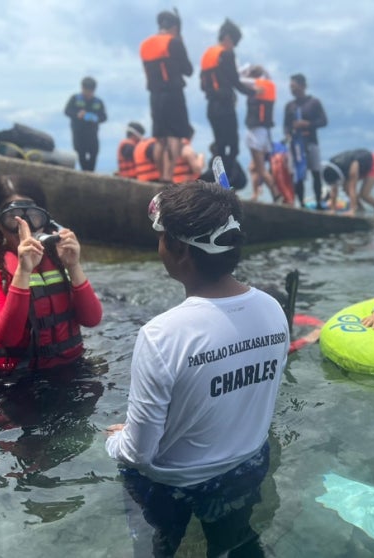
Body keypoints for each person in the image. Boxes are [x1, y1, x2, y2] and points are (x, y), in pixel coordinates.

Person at [105, 181, 289, 556]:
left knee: (157, 548)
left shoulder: (161, 335)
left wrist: (115, 441)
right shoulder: (273, 309)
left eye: (161, 237)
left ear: (181, 250)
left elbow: (139, 454)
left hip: (173, 484)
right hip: (247, 467)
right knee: (236, 544)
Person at [0, 175, 103, 374]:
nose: (24, 227)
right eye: (13, 218)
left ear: (45, 220)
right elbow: (7, 337)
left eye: (33, 217)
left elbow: (92, 319)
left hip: (75, 370)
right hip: (18, 381)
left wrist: (74, 266)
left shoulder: (59, 258)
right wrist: (24, 271)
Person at [140, 10, 193, 182]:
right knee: (175, 135)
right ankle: (168, 176)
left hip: (154, 95)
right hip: (173, 94)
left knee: (160, 138)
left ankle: (160, 174)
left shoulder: (145, 44)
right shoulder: (174, 42)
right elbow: (188, 70)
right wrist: (181, 43)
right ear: (175, 27)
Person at [200, 18, 255, 183]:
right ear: (228, 37)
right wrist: (253, 92)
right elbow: (235, 81)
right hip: (225, 106)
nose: (235, 46)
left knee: (220, 144)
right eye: (235, 42)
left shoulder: (208, 55)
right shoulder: (227, 54)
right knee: (233, 145)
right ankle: (226, 178)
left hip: (211, 106)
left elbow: (203, 85)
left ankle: (217, 177)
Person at [283, 73, 327, 209]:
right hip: (296, 144)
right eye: (290, 87)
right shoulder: (290, 106)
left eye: (294, 86)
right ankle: (301, 203)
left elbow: (323, 121)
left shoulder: (314, 102)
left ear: (303, 86)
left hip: (311, 142)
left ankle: (319, 203)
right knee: (298, 174)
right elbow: (286, 125)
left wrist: (307, 124)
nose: (292, 89)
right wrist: (288, 134)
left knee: (316, 172)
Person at [241, 65, 281, 202]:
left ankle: (276, 193)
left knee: (260, 169)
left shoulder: (256, 84)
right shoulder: (269, 86)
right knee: (255, 167)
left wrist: (246, 69)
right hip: (265, 132)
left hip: (256, 132)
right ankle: (257, 194)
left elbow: (238, 79)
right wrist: (263, 69)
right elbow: (268, 77)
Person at [63, 76, 107, 171]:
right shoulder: (75, 99)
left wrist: (93, 117)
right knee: (81, 154)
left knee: (94, 153)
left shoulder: (98, 102)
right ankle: (85, 172)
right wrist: (77, 114)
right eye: (86, 90)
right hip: (78, 134)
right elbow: (67, 111)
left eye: (90, 91)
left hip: (92, 134)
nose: (88, 93)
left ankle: (91, 173)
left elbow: (104, 117)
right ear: (82, 88)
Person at [322, 149, 374, 215]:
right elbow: (334, 190)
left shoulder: (353, 167)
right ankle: (360, 209)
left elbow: (352, 189)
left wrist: (352, 210)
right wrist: (332, 210)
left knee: (364, 194)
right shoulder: (331, 169)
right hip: (354, 166)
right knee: (346, 189)